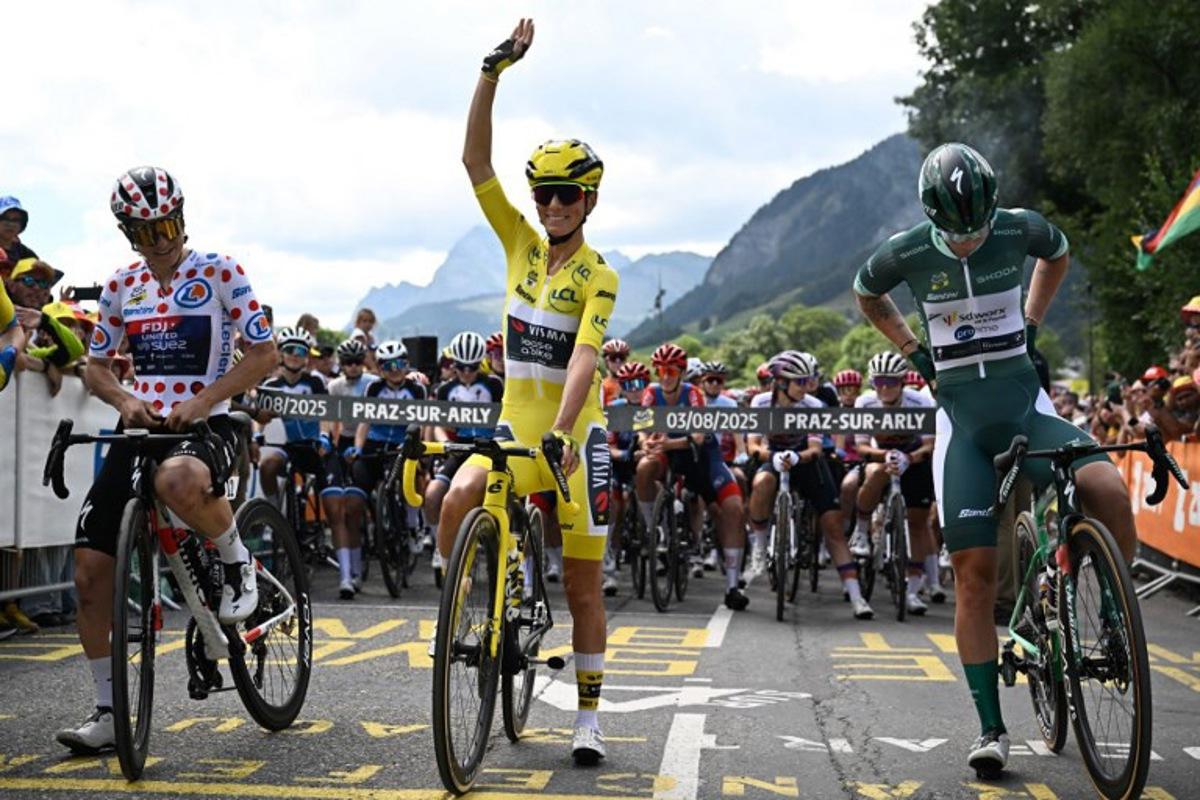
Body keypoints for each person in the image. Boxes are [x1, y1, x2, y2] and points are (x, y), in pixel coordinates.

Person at [853, 142, 1139, 777]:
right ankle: (990, 728)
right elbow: (866, 294)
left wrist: (1032, 320)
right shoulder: (904, 251)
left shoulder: (1018, 227)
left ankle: (1117, 619)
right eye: (957, 231)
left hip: (1026, 407)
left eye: (979, 226)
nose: (970, 239)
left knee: (1110, 491)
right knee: (974, 576)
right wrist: (911, 349)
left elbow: (1058, 254)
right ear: (930, 215)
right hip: (961, 424)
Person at [446, 17, 618, 765]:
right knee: (456, 497)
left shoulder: (600, 276)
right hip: (515, 425)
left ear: (588, 203)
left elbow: (583, 356)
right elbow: (473, 160)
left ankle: (587, 718)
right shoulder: (519, 242)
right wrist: (492, 71)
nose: (551, 208)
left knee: (584, 588)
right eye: (544, 195)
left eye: (565, 198)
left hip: (578, 437)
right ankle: (468, 606)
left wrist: (567, 429)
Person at [58, 166, 277, 754]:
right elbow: (96, 366)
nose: (161, 239)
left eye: (169, 224)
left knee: (179, 478)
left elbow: (264, 354)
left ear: (183, 216)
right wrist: (125, 400)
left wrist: (205, 399)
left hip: (209, 423)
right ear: (128, 230)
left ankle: (238, 561)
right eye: (147, 229)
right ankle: (108, 711)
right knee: (88, 575)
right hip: (144, 431)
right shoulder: (120, 286)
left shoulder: (220, 271)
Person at [745, 351, 870, 619]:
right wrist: (772, 456)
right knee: (762, 480)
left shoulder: (813, 405)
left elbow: (815, 448)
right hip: (773, 456)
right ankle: (759, 544)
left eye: (808, 381)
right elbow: (753, 444)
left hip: (806, 459)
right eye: (799, 382)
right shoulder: (761, 401)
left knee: (833, 525)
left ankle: (857, 596)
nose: (806, 386)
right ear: (780, 383)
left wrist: (796, 457)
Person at [636, 344, 748, 610]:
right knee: (643, 469)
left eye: (671, 370)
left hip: (701, 455)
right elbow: (642, 428)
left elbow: (697, 436)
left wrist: (667, 443)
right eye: (661, 370)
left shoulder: (694, 394)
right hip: (667, 451)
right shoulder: (651, 393)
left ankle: (732, 585)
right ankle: (655, 528)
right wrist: (645, 444)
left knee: (732, 508)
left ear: (681, 372)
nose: (665, 376)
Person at [848, 352, 941, 614]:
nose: (885, 388)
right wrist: (886, 456)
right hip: (881, 456)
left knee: (918, 523)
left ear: (902, 381)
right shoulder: (865, 403)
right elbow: (862, 446)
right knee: (876, 472)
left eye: (891, 382)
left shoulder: (920, 402)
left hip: (914, 458)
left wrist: (908, 458)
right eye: (879, 383)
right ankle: (862, 531)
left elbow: (929, 444)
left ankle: (912, 590)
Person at [348, 341, 428, 589]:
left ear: (406, 365)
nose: (395, 369)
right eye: (388, 365)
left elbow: (422, 422)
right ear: (381, 368)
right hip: (376, 443)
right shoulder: (374, 387)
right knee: (358, 488)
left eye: (400, 364)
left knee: (412, 477)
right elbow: (364, 421)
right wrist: (359, 449)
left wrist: (417, 448)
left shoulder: (416, 389)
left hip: (403, 444)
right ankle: (368, 534)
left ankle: (413, 527)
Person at [425, 331, 504, 569]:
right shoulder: (445, 390)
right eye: (460, 367)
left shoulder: (493, 384)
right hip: (460, 448)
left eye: (472, 367)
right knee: (432, 495)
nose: (467, 372)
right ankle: (440, 546)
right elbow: (439, 423)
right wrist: (442, 443)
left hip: (489, 449)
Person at [603, 360, 649, 596]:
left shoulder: (653, 406)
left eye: (639, 384)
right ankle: (609, 569)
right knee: (613, 506)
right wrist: (624, 454)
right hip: (620, 463)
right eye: (628, 384)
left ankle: (657, 537)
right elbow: (607, 445)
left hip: (643, 462)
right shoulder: (615, 407)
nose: (634, 389)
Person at [600, 338, 629, 405]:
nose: (617, 361)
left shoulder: (636, 382)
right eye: (613, 357)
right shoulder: (602, 386)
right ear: (606, 362)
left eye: (621, 357)